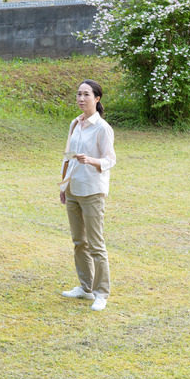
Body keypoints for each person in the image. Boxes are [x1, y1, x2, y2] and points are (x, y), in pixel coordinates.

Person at [59, 80, 116, 311]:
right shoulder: (75, 122)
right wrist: (63, 185)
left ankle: (101, 293)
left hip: (92, 190)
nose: (81, 99)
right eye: (79, 94)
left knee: (96, 244)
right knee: (78, 242)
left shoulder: (102, 128)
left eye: (86, 95)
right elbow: (68, 155)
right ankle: (86, 288)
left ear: (97, 98)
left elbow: (110, 159)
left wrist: (91, 160)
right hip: (73, 188)